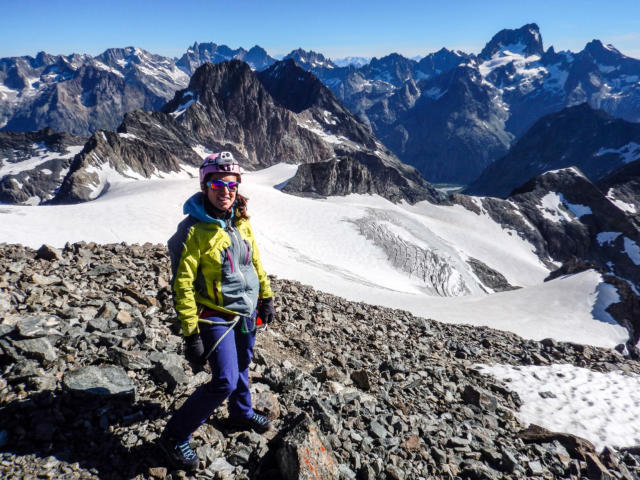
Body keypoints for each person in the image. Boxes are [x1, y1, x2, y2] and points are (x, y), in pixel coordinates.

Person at [160, 151, 276, 471]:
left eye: (232, 184)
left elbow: (254, 262)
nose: (226, 190)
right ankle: (173, 436)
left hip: (246, 311)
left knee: (242, 363)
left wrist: (266, 296)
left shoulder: (241, 222)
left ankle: (240, 413)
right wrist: (190, 333)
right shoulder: (194, 231)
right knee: (223, 380)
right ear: (205, 186)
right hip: (214, 315)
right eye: (218, 184)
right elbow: (182, 285)